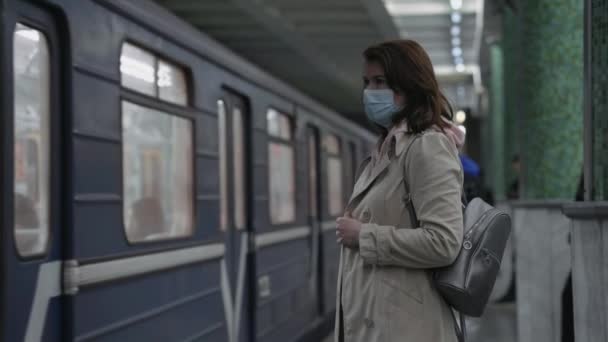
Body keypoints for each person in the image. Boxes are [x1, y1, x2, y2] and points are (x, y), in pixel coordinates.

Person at [334, 40, 465, 342]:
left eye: (380, 81)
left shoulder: (427, 147)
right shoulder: (385, 151)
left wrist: (363, 235)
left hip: (407, 329)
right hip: (380, 323)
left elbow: (444, 242)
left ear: (409, 84)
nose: (370, 91)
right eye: (367, 82)